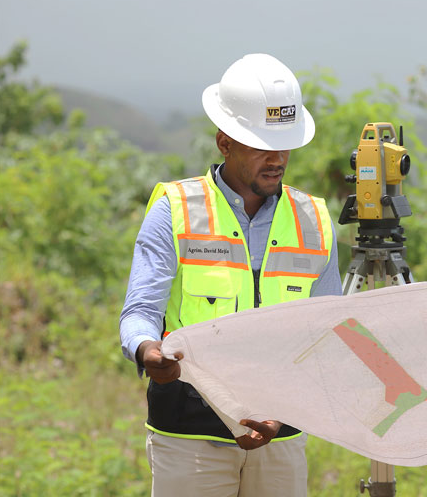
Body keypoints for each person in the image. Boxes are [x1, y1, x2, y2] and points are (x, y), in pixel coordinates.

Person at [119, 54, 342, 497]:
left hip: (282, 435)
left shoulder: (314, 219)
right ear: (225, 142)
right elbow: (140, 311)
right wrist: (148, 352)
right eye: (262, 145)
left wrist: (285, 410)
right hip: (190, 435)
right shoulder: (175, 210)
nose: (277, 158)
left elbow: (327, 332)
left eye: (284, 145)